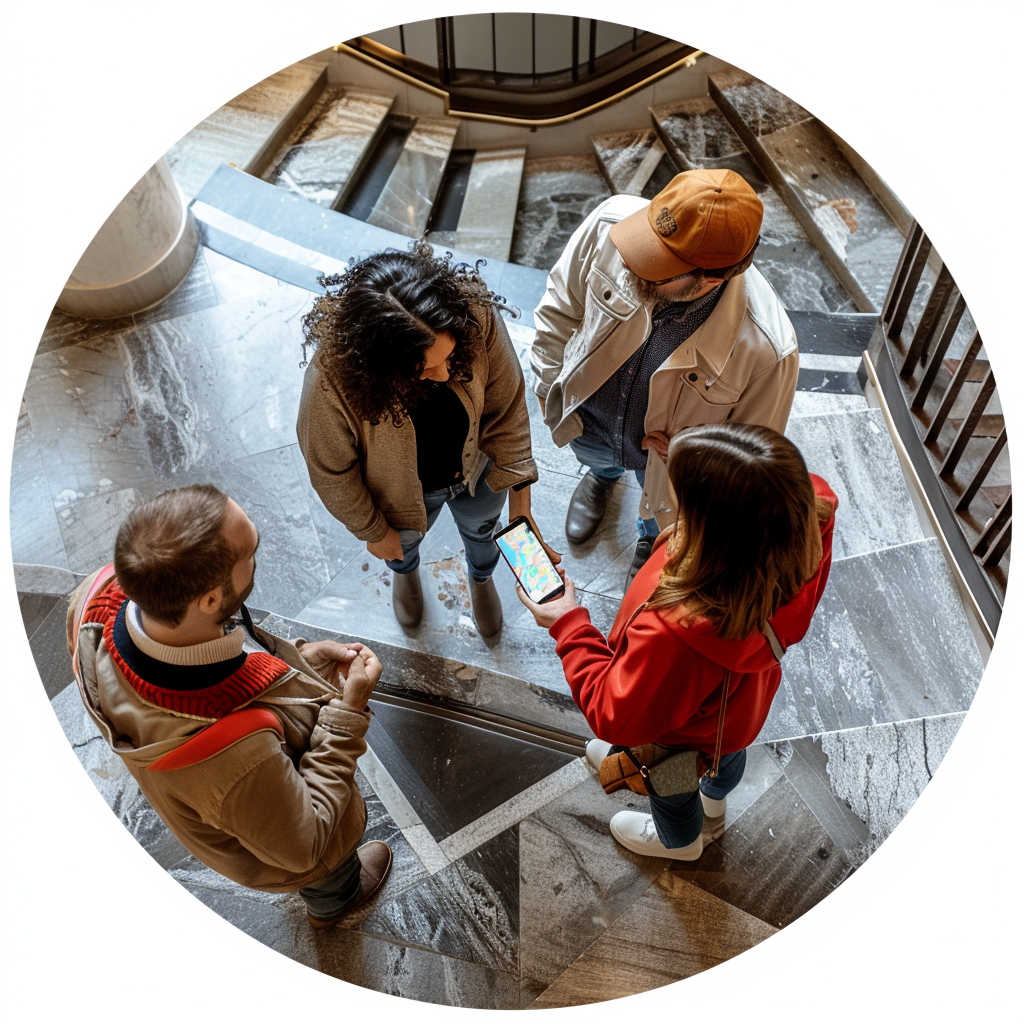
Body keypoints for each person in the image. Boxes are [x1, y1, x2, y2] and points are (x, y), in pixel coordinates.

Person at [66, 484, 391, 928]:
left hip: (236, 803)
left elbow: (235, 660)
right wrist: (349, 711)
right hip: (294, 841)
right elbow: (305, 841)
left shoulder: (100, 600)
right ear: (211, 600)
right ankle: (335, 901)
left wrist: (297, 661)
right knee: (324, 871)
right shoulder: (228, 755)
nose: (258, 551)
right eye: (251, 551)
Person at [516, 423, 837, 861]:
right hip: (740, 708)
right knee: (726, 752)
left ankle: (680, 844)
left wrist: (568, 623)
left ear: (715, 526)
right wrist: (704, 461)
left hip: (677, 736)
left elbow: (613, 712)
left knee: (670, 789)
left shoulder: (679, 629)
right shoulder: (808, 518)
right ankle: (716, 801)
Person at [530, 168, 800, 589]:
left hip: (663, 469)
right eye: (644, 243)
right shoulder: (610, 223)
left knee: (660, 514)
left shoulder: (769, 350)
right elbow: (558, 310)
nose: (631, 262)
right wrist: (551, 387)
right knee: (595, 456)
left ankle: (653, 536)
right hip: (589, 420)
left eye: (657, 265)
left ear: (711, 278)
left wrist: (693, 456)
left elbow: (750, 459)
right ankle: (601, 476)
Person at [297, 242, 554, 638]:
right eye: (424, 368)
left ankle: (481, 578)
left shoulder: (474, 314)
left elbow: (507, 405)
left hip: (477, 470)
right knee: (404, 544)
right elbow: (330, 470)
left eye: (450, 359)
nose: (443, 376)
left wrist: (521, 507)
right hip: (402, 492)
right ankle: (405, 572)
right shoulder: (334, 380)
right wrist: (375, 533)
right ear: (380, 366)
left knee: (483, 531)